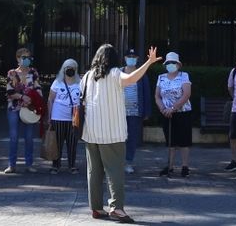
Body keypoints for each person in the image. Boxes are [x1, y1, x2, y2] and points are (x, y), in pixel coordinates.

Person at [81, 44, 161, 223]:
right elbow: (132, 78)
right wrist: (148, 62)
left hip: (90, 132)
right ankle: (116, 208)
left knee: (94, 172)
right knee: (115, 170)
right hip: (112, 132)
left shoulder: (87, 76)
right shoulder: (115, 74)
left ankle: (96, 208)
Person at [154, 51, 193, 177]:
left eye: (173, 62)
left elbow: (186, 94)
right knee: (170, 142)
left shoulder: (184, 76)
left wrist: (173, 108)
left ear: (178, 64)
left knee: (184, 141)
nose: (171, 65)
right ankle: (169, 166)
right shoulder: (161, 77)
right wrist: (163, 109)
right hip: (167, 114)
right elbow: (157, 96)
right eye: (168, 63)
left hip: (182, 112)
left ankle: (185, 166)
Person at [4, 47, 42, 174]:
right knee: (14, 136)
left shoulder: (33, 72)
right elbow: (9, 92)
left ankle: (29, 164)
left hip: (29, 109)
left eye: (28, 57)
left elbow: (38, 89)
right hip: (14, 108)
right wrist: (22, 97)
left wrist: (35, 99)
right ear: (18, 58)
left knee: (29, 137)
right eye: (23, 57)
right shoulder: (12, 73)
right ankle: (12, 164)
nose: (26, 60)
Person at [47, 58, 83, 174]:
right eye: (68, 68)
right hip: (58, 117)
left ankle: (72, 165)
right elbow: (50, 100)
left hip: (74, 117)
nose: (70, 70)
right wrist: (49, 116)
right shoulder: (57, 83)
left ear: (76, 69)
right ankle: (55, 165)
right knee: (57, 142)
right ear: (63, 69)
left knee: (73, 142)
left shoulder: (80, 83)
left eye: (72, 68)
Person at [121, 48, 152, 175]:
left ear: (137, 59)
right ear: (125, 58)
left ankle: (128, 162)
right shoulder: (118, 72)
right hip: (118, 112)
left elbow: (146, 94)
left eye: (134, 57)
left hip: (135, 112)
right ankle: (117, 162)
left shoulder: (141, 74)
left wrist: (146, 112)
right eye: (129, 56)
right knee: (118, 138)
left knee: (132, 138)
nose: (131, 59)